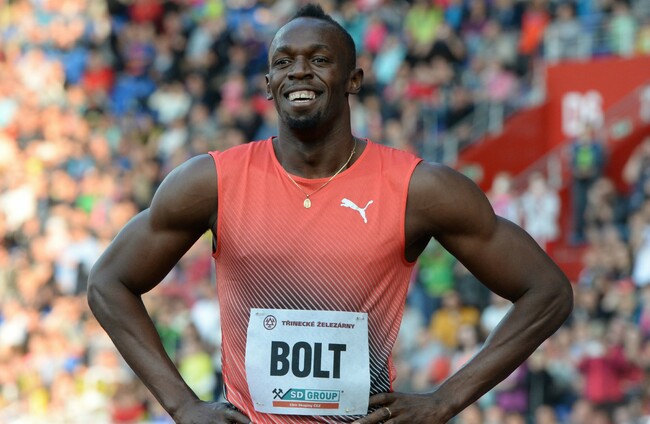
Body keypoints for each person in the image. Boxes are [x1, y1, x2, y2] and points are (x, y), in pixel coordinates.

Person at [87, 4, 573, 424]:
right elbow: (108, 282)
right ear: (268, 84)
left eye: (319, 60)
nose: (299, 71)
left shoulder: (417, 189)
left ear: (353, 79)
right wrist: (182, 406)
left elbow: (547, 291)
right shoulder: (211, 182)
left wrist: (445, 401)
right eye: (283, 62)